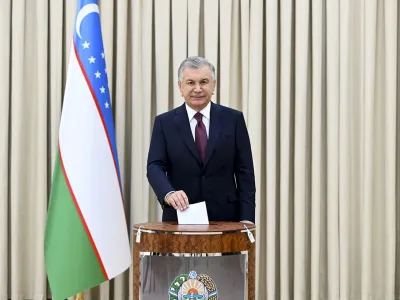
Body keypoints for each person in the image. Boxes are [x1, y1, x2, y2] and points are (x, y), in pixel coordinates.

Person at [146, 56, 256, 224]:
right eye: (190, 83)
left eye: (204, 82)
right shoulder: (164, 123)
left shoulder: (233, 119)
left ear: (214, 85)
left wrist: (247, 218)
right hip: (180, 217)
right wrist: (168, 193)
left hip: (226, 219)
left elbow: (245, 171)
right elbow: (155, 166)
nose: (197, 89)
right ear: (180, 87)